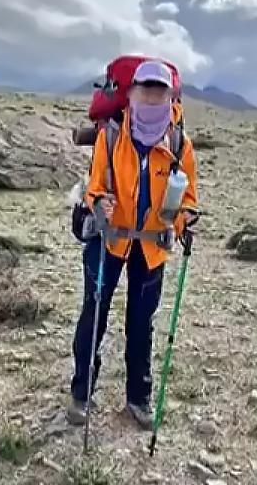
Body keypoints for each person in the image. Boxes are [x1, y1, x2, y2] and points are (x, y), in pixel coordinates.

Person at [67, 59, 199, 430]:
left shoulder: (177, 142)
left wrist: (187, 216)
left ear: (170, 97)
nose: (152, 98)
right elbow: (94, 187)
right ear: (131, 93)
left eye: (160, 92)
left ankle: (139, 398)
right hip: (107, 240)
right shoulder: (110, 137)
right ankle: (81, 393)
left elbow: (187, 196)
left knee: (141, 322)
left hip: (152, 245)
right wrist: (99, 202)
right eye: (145, 90)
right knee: (94, 315)